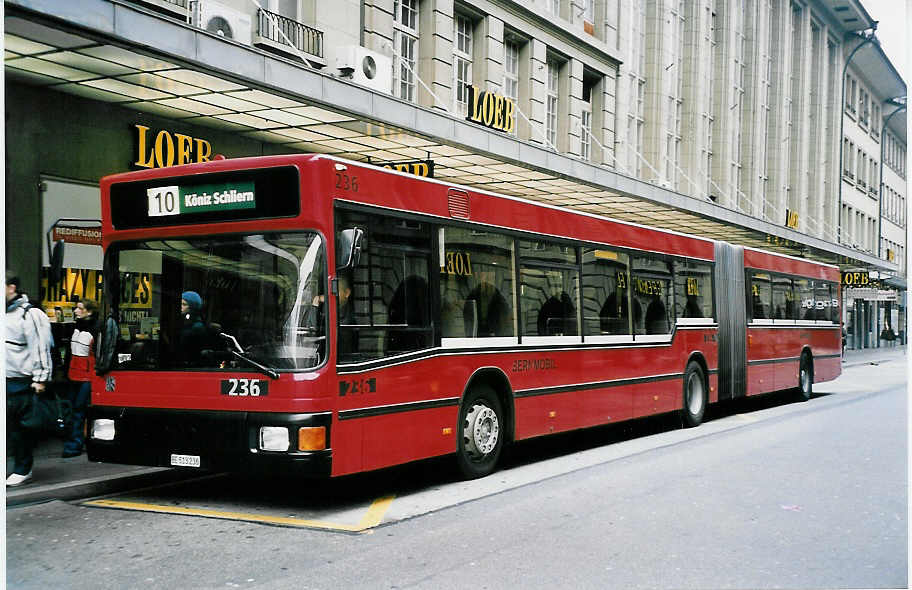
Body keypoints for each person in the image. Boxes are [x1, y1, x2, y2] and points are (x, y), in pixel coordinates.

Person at [6, 272, 53, 487]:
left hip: (20, 381)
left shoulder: (30, 314)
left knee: (19, 429)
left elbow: (41, 348)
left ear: (11, 288)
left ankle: (23, 468)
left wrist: (41, 378)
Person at [62, 299, 99, 458]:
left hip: (86, 377)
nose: (76, 311)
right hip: (74, 375)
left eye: (79, 308)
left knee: (78, 410)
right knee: (73, 410)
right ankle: (76, 441)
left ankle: (74, 445)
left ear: (89, 312)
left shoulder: (95, 330)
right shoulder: (76, 327)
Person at [178, 290, 206, 364]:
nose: (180, 307)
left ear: (192, 307)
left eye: (184, 304)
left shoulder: (197, 326)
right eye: (180, 303)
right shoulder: (182, 321)